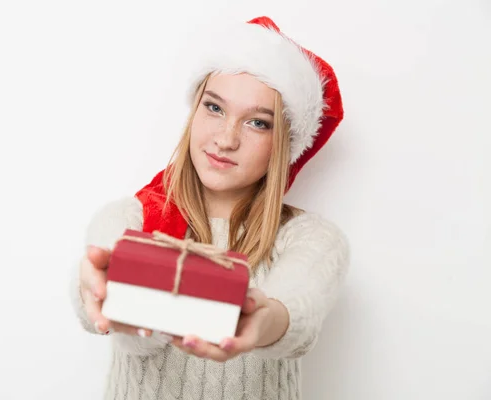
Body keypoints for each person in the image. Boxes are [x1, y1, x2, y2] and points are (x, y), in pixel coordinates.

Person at [71, 15, 350, 400]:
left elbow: (295, 310)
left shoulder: (313, 239)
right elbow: (106, 311)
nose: (226, 139)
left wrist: (262, 320)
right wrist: (102, 295)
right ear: (194, 111)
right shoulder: (130, 218)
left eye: (257, 123)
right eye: (215, 109)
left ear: (285, 144)